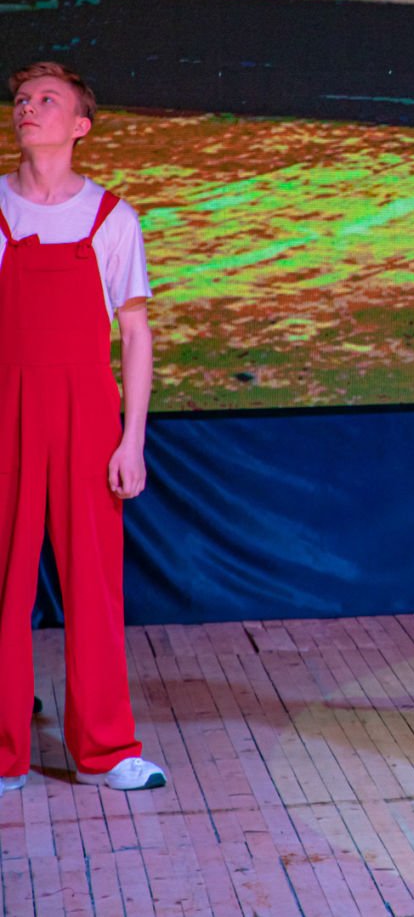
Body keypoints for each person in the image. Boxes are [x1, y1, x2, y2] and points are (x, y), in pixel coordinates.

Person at [0, 62, 166, 797]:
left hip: (87, 414)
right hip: (7, 408)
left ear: (79, 126)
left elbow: (135, 333)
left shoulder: (113, 218)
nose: (28, 107)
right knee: (3, 581)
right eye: (21, 99)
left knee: (93, 583)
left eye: (47, 99)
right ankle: (3, 748)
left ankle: (104, 749)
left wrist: (131, 438)